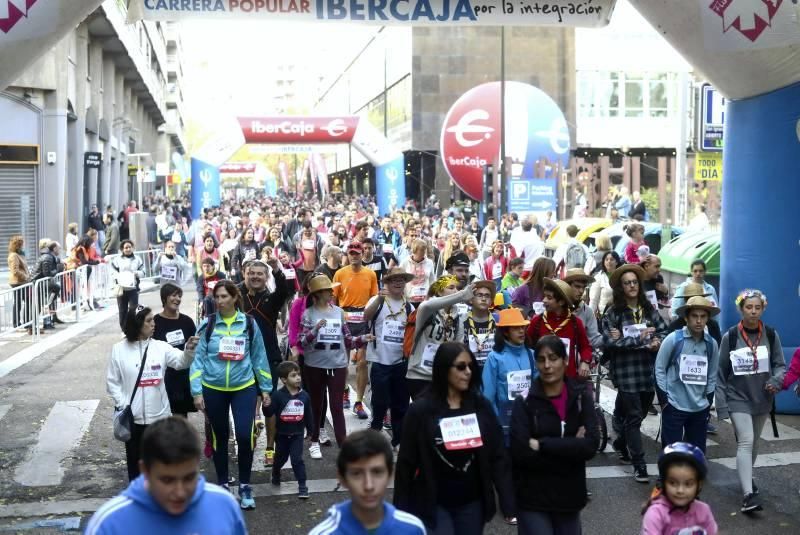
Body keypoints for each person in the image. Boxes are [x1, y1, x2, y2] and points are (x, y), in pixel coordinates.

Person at [394, 342, 515, 533]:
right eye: (460, 367)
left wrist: (507, 499)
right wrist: (399, 512)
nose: (468, 372)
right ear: (443, 369)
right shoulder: (420, 410)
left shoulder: (480, 406)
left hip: (472, 501)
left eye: (470, 366)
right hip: (433, 501)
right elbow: (406, 463)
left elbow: (498, 454)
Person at [85, 417, 247, 535]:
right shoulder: (109, 524)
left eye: (189, 478)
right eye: (167, 480)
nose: (180, 492)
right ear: (145, 471)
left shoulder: (224, 505)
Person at [190, 280, 273, 509]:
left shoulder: (248, 323)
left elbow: (259, 357)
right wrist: (197, 392)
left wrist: (265, 388)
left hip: (243, 387)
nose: (220, 301)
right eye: (217, 297)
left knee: (246, 436)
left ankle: (245, 484)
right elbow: (197, 361)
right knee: (219, 438)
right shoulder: (206, 325)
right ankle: (223, 485)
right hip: (213, 388)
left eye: (224, 296)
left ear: (235, 298)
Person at [510, 335, 598, 535]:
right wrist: (572, 448)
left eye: (553, 358)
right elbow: (520, 452)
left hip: (569, 497)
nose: (547, 365)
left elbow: (591, 445)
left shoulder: (581, 396)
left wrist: (541, 445)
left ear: (565, 360)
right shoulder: (524, 402)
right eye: (541, 360)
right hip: (532, 498)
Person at [106, 306, 198, 481]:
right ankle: (140, 501)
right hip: (133, 421)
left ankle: (159, 502)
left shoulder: (161, 347)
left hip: (159, 419)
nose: (153, 324)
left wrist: (189, 350)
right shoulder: (119, 349)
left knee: (160, 465)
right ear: (137, 324)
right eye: (148, 321)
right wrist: (124, 404)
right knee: (135, 468)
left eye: (153, 319)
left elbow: (181, 362)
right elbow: (112, 382)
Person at [715, 289, 785, 513]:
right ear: (741, 309)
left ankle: (746, 480)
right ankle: (747, 495)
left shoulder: (771, 335)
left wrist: (776, 380)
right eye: (748, 307)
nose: (753, 312)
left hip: (762, 398)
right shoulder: (731, 336)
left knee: (754, 444)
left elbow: (780, 364)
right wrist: (722, 406)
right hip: (738, 397)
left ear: (763, 308)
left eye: (757, 307)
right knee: (745, 441)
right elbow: (720, 372)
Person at [600, 264, 667, 483]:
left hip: (647, 371)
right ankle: (639, 465)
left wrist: (657, 341)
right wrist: (639, 340)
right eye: (627, 283)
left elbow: (664, 331)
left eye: (635, 282)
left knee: (640, 413)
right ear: (620, 287)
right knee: (635, 417)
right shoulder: (613, 313)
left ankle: (620, 443)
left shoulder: (648, 310)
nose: (632, 286)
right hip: (626, 372)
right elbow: (610, 342)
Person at [301, 274, 374, 459]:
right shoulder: (308, 313)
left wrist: (362, 339)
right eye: (327, 291)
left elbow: (348, 339)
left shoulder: (339, 312)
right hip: (314, 365)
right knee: (316, 405)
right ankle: (315, 440)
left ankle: (344, 444)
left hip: (338, 364)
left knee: (337, 406)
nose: (331, 293)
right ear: (317, 294)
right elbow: (302, 342)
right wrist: (315, 329)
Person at [311, 429, 426, 535]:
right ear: (342, 479)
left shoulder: (413, 529)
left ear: (390, 475)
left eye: (377, 472)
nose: (368, 485)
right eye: (357, 473)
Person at [239, 258, 289, 467]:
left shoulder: (272, 299)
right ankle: (248, 441)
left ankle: (270, 447)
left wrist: (277, 270)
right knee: (248, 403)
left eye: (260, 274)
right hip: (242, 358)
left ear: (266, 277)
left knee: (269, 406)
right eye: (252, 273)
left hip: (269, 357)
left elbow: (285, 290)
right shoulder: (238, 297)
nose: (255, 277)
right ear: (246, 275)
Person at [655, 297, 720, 452]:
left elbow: (712, 375)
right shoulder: (673, 339)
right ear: (686, 318)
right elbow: (659, 369)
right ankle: (667, 477)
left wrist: (708, 400)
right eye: (694, 316)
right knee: (671, 453)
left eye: (703, 316)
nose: (699, 321)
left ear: (707, 319)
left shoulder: (711, 344)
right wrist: (665, 401)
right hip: (674, 405)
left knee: (696, 455)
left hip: (699, 408)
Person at [364, 267, 414, 448]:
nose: (398, 282)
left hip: (400, 361)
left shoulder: (409, 306)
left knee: (401, 403)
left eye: (402, 279)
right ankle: (375, 432)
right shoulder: (378, 301)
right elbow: (365, 317)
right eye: (394, 279)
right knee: (380, 400)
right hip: (379, 360)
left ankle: (398, 439)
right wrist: (378, 298)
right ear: (386, 282)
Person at [405, 276, 474, 400]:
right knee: (427, 417)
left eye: (457, 288)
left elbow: (458, 348)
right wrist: (462, 295)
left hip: (443, 377)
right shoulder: (427, 309)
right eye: (451, 287)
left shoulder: (457, 316)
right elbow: (426, 306)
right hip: (420, 376)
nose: (456, 291)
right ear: (439, 291)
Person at [334, 241, 379, 420]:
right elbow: (333, 300)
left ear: (362, 254)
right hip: (345, 318)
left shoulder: (370, 274)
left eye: (357, 253)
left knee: (362, 363)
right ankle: (345, 389)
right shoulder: (339, 273)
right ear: (348, 254)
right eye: (351, 253)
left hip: (363, 318)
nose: (354, 256)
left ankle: (358, 401)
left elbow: (374, 298)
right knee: (343, 361)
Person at [481, 308, 536, 444]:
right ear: (505, 332)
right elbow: (488, 395)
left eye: (522, 327)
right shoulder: (494, 358)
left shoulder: (532, 355)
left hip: (528, 422)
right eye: (516, 328)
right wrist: (495, 424)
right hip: (504, 423)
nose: (521, 331)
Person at [641, 442, 718, 535]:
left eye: (688, 484)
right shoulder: (656, 514)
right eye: (673, 483)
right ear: (664, 482)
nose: (680, 490)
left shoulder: (703, 511)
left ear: (699, 485)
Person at [263, 361, 313, 499]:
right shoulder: (278, 396)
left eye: (298, 375)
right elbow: (269, 413)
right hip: (282, 435)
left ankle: (302, 486)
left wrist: (310, 431)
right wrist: (266, 406)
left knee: (297, 460)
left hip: (297, 434)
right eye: (293, 375)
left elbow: (308, 414)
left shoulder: (304, 396)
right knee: (280, 458)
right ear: (284, 380)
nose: (298, 378)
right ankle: (276, 471)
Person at [526, 277, 593, 381]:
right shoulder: (537, 321)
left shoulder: (575, 323)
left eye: (549, 297)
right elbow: (527, 346)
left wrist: (585, 362)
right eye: (544, 296)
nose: (544, 300)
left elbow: (585, 347)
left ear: (561, 302)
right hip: (542, 378)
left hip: (568, 379)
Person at [153, 283, 198, 418]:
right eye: (173, 295)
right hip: (163, 376)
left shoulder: (187, 321)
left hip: (183, 376)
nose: (177, 299)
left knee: (180, 417)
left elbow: (196, 348)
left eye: (179, 296)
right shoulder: (155, 322)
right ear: (164, 298)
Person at [462, 280, 499, 367]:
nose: (483, 299)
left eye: (487, 296)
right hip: (469, 369)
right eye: (479, 295)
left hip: (493, 368)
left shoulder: (498, 320)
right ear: (471, 300)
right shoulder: (462, 320)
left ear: (491, 301)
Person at [111, 240, 145, 330]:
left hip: (133, 289)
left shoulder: (138, 259)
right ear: (122, 249)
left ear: (133, 248)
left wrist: (136, 273)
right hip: (121, 289)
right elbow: (113, 272)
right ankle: (124, 329)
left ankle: (133, 328)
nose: (128, 249)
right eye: (126, 247)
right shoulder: (117, 260)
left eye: (130, 247)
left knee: (133, 309)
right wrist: (119, 277)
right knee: (122, 310)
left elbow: (143, 272)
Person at [400, 238, 436, 307]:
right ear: (414, 251)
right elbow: (400, 279)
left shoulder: (429, 263)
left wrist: (431, 296)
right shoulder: (404, 262)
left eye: (424, 250)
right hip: (409, 300)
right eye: (421, 251)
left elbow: (432, 281)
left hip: (425, 300)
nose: (423, 253)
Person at [7, 235, 31, 334]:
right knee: (18, 303)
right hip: (17, 282)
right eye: (22, 244)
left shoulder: (20, 254)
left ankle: (25, 322)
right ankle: (17, 323)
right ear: (18, 245)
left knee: (25, 301)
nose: (23, 245)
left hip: (22, 281)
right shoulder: (14, 255)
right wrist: (26, 277)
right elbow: (15, 271)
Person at [589, 251, 621, 315]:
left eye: (612, 259)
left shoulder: (622, 276)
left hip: (621, 313)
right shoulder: (599, 277)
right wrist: (589, 318)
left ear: (617, 262)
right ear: (603, 262)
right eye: (606, 259)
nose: (609, 261)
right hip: (605, 315)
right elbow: (593, 301)